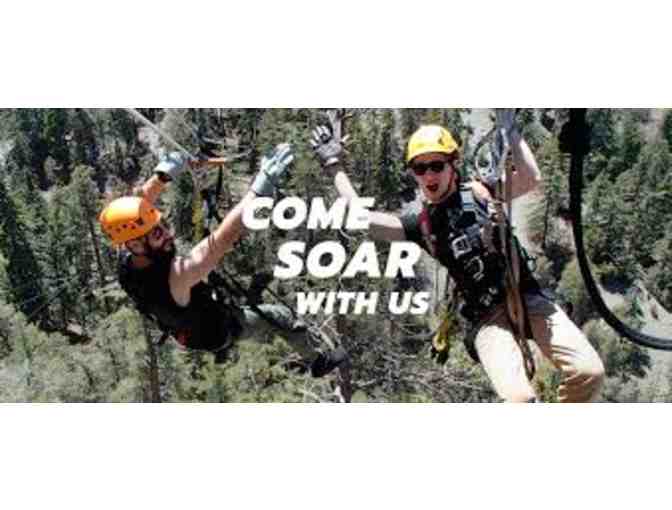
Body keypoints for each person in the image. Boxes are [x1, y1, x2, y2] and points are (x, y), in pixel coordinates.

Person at [311, 110, 605, 402]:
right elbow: (364, 219)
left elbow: (529, 178)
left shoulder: (482, 192)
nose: (429, 175)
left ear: (453, 165)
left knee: (589, 372)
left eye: (436, 165)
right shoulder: (422, 226)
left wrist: (510, 130)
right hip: (486, 317)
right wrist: (333, 165)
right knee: (519, 400)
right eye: (420, 168)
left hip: (526, 296)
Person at [99, 144, 347, 377]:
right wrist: (260, 189)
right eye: (157, 233)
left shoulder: (127, 255)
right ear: (136, 244)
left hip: (187, 324)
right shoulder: (177, 276)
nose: (167, 234)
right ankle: (317, 361)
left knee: (213, 293)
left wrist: (162, 176)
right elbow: (221, 240)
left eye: (161, 225)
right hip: (219, 330)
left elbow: (139, 205)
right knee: (280, 316)